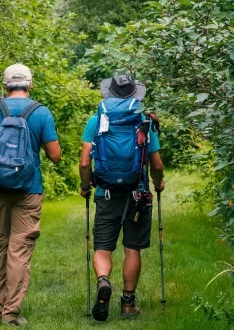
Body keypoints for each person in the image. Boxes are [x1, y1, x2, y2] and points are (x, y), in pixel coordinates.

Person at [0, 64, 61, 327]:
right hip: (28, 190)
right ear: (30, 85)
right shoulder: (41, 113)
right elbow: (55, 156)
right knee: (19, 250)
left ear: (4, 85)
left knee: (2, 246)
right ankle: (10, 314)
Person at [79, 71, 165, 322]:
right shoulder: (144, 122)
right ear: (133, 95)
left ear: (110, 92)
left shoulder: (95, 121)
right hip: (137, 193)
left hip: (105, 192)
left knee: (103, 246)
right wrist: (158, 184)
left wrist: (86, 185)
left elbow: (85, 162)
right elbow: (157, 164)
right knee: (132, 248)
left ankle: (103, 282)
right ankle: (128, 304)